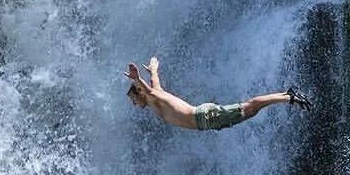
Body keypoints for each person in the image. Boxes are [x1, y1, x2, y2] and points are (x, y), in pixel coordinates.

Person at [124, 57, 312, 131]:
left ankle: (288, 96)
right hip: (206, 120)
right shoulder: (156, 99)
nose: (134, 104)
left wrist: (137, 78)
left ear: (140, 92)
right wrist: (154, 71)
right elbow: (154, 86)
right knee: (250, 109)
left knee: (250, 107)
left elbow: (148, 89)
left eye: (134, 99)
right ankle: (285, 95)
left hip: (206, 117)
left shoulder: (151, 97)